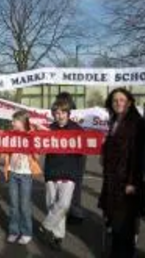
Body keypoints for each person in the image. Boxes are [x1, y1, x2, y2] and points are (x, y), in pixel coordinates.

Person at [98, 88, 145, 258]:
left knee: (124, 225)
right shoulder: (114, 121)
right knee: (114, 222)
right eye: (115, 100)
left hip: (127, 182)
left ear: (130, 102)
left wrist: (132, 182)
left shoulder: (136, 123)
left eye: (122, 100)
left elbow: (138, 155)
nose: (118, 103)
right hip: (112, 180)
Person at [39, 99, 84, 251]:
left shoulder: (76, 128)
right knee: (53, 205)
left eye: (63, 112)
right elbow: (41, 147)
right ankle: (58, 236)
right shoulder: (49, 128)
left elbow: (84, 148)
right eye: (56, 113)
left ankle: (46, 226)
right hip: (52, 171)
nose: (60, 116)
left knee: (63, 204)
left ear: (68, 113)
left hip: (69, 172)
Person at [4, 111, 42, 245]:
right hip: (13, 173)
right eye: (12, 121)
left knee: (24, 205)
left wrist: (32, 146)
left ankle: (26, 232)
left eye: (15, 121)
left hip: (26, 174)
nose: (12, 123)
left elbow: (37, 156)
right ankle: (14, 231)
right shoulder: (11, 134)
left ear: (22, 122)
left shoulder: (32, 135)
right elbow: (4, 150)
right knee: (14, 204)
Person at [55, 91, 85, 224]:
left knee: (74, 183)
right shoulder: (59, 119)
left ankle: (74, 211)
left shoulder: (76, 123)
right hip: (64, 157)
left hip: (75, 157)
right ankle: (69, 211)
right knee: (64, 184)